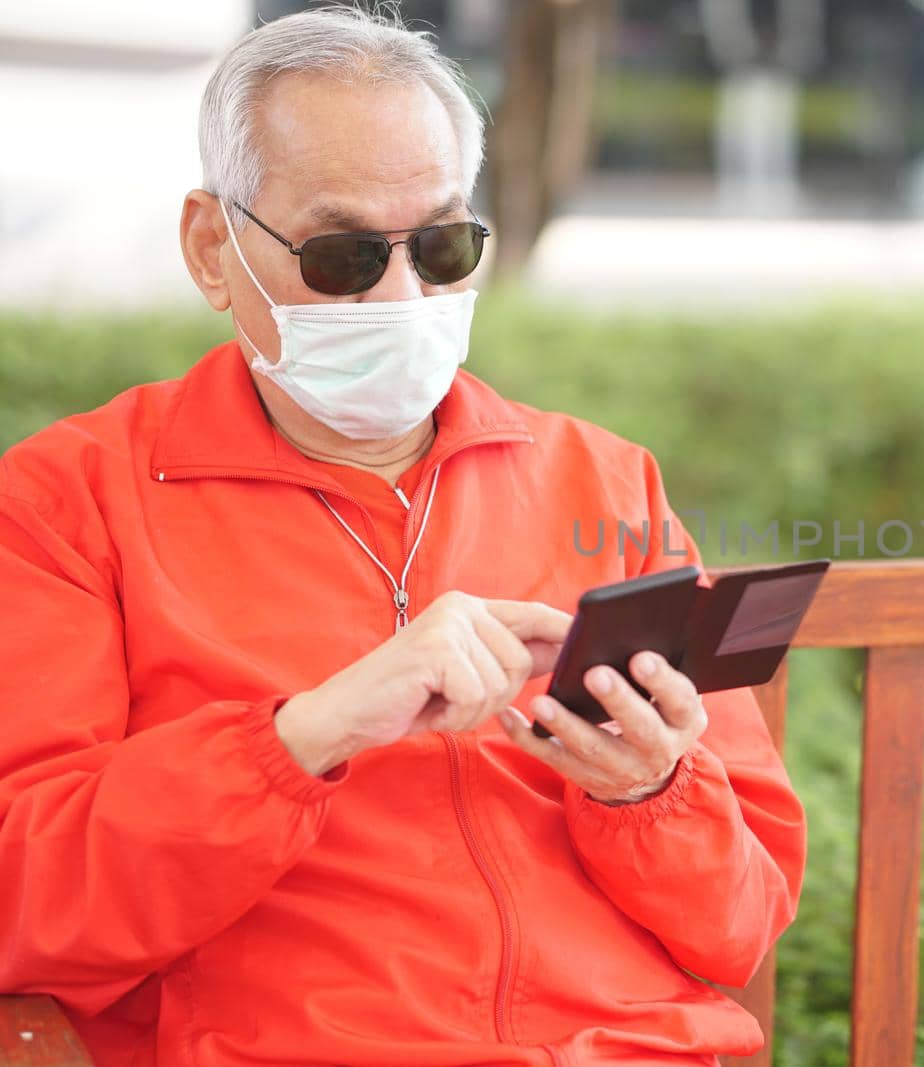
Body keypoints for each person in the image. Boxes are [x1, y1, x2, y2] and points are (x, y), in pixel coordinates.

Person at [0, 7, 805, 1065]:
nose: (402, 294)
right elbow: (28, 900)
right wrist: (304, 734)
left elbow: (740, 922)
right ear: (212, 245)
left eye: (439, 244)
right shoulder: (68, 501)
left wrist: (646, 791)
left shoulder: (606, 481)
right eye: (341, 256)